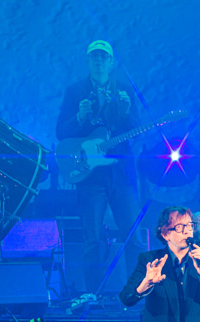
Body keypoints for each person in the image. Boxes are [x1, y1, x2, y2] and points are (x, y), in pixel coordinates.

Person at [57, 39, 143, 294]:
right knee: (91, 240)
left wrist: (126, 112)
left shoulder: (124, 90)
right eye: (94, 56)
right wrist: (79, 116)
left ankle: (136, 294)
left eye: (103, 57)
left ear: (111, 62)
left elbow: (137, 132)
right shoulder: (75, 91)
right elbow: (61, 132)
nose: (99, 60)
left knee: (133, 238)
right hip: (90, 178)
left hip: (121, 175)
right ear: (87, 61)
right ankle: (92, 297)